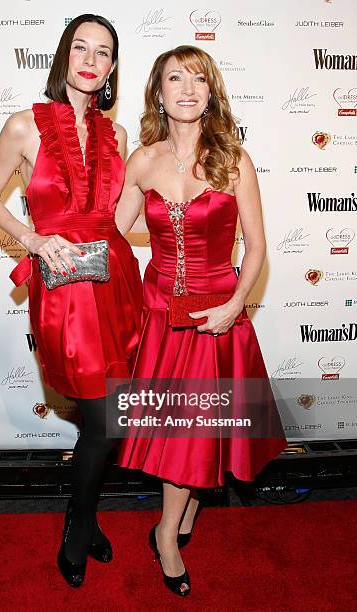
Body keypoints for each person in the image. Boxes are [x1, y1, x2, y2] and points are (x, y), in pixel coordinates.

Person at [115, 45, 288, 596]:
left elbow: (258, 248)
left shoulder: (234, 160)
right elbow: (114, 233)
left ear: (211, 93)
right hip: (163, 315)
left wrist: (236, 305)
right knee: (182, 428)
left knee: (199, 428)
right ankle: (172, 529)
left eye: (198, 79)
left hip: (218, 313)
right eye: (174, 79)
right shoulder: (143, 161)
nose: (187, 88)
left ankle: (170, 525)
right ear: (158, 93)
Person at [0, 14, 142, 588]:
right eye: (81, 47)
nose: (91, 59)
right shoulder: (24, 126)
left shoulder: (118, 137)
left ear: (113, 68)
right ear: (64, 55)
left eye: (103, 52)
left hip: (115, 280)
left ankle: (82, 515)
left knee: (109, 419)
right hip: (63, 288)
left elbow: (123, 214)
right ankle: (81, 522)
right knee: (98, 415)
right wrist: (33, 239)